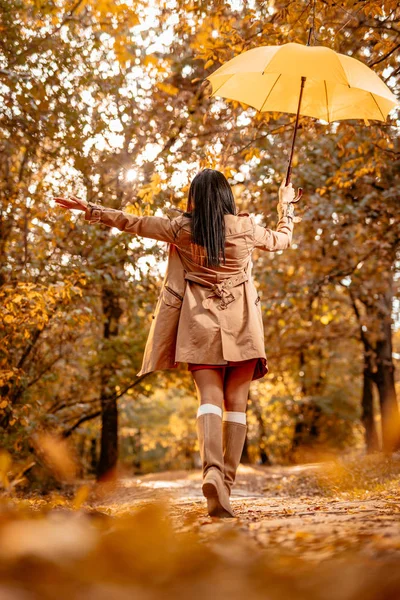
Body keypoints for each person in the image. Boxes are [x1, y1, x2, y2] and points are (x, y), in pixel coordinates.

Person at [54, 168, 299, 518]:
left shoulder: (181, 229)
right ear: (228, 196)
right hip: (243, 324)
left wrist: (89, 208)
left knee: (210, 398)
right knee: (236, 404)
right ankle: (225, 486)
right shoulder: (246, 229)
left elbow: (133, 222)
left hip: (199, 325)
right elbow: (283, 240)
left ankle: (212, 472)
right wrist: (285, 205)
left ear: (194, 198)